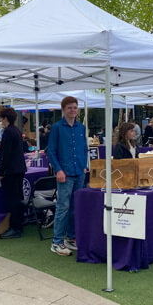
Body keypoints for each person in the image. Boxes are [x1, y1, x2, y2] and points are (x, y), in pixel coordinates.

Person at [47, 96, 88, 256]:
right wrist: (58, 170)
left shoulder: (80, 128)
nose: (73, 110)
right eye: (70, 107)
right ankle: (56, 241)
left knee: (75, 207)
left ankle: (71, 238)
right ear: (63, 109)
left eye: (75, 107)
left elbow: (84, 148)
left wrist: (84, 165)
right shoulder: (57, 128)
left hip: (79, 172)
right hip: (65, 173)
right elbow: (51, 150)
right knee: (63, 207)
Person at [0, 108, 27, 239]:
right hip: (19, 169)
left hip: (12, 171)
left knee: (13, 199)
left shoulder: (8, 132)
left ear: (5, 118)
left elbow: (6, 154)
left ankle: (15, 227)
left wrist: (1, 171)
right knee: (18, 197)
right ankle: (18, 224)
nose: (0, 121)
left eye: (1, 118)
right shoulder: (16, 130)